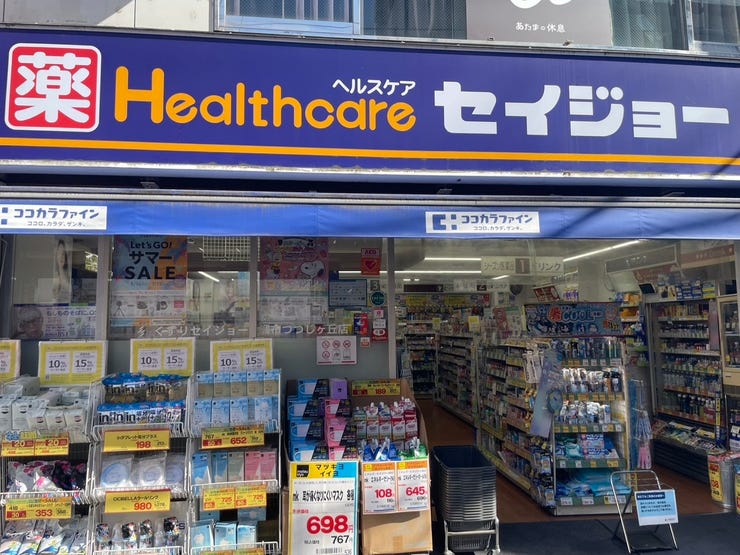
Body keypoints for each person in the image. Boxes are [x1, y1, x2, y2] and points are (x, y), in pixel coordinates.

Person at [52, 238, 72, 303]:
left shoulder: (68, 274)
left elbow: (68, 289)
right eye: (59, 253)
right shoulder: (52, 274)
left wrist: (60, 268)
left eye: (63, 254)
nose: (61, 257)